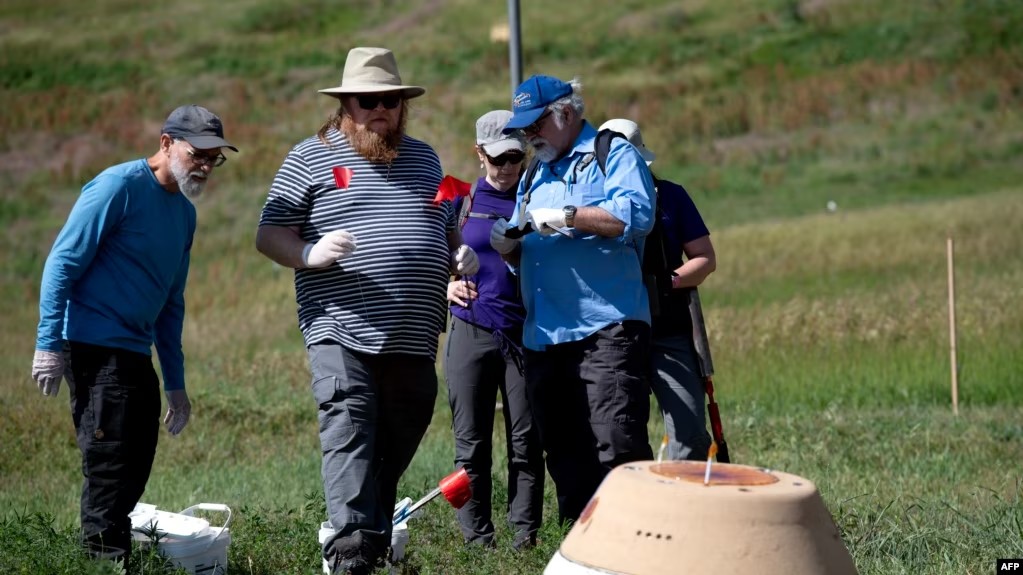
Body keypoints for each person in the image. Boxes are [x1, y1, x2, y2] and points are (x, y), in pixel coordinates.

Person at [254, 47, 479, 575]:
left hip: (415, 334)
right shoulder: (312, 156)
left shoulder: (425, 159)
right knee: (350, 429)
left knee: (403, 427)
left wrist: (456, 252)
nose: (381, 109)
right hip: (341, 327)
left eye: (391, 100)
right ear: (344, 105)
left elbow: (444, 224)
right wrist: (308, 254)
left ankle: (366, 538)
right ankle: (351, 553)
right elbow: (268, 233)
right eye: (368, 100)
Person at [31, 104, 237, 569]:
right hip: (93, 348)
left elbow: (171, 302)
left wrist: (176, 384)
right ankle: (103, 561)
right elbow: (62, 263)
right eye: (198, 153)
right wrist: (48, 343)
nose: (205, 165)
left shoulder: (184, 214)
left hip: (133, 353)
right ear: (166, 144)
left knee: (136, 460)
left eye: (214, 158)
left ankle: (113, 557)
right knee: (109, 465)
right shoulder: (117, 187)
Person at [488, 75, 657, 524]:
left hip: (606, 329)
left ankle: (636, 547)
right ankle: (582, 551)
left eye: (534, 125)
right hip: (545, 335)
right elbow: (529, 246)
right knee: (563, 453)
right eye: (523, 130)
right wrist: (509, 247)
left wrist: (571, 215)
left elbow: (637, 215)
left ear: (563, 113)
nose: (528, 137)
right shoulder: (535, 170)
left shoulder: (612, 153)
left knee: (616, 444)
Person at [444, 110, 545, 550]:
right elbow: (427, 257)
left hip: (524, 335)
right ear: (478, 153)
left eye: (515, 158)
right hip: (470, 332)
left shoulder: (536, 199)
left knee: (526, 442)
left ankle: (525, 538)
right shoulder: (458, 203)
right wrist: (445, 285)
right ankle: (477, 543)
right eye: (498, 159)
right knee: (471, 444)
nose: (506, 169)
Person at [600, 118, 717, 461]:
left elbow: (705, 259)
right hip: (612, 334)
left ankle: (686, 504)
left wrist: (669, 281)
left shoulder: (672, 196)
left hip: (667, 330)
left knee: (691, 432)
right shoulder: (592, 206)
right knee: (620, 434)